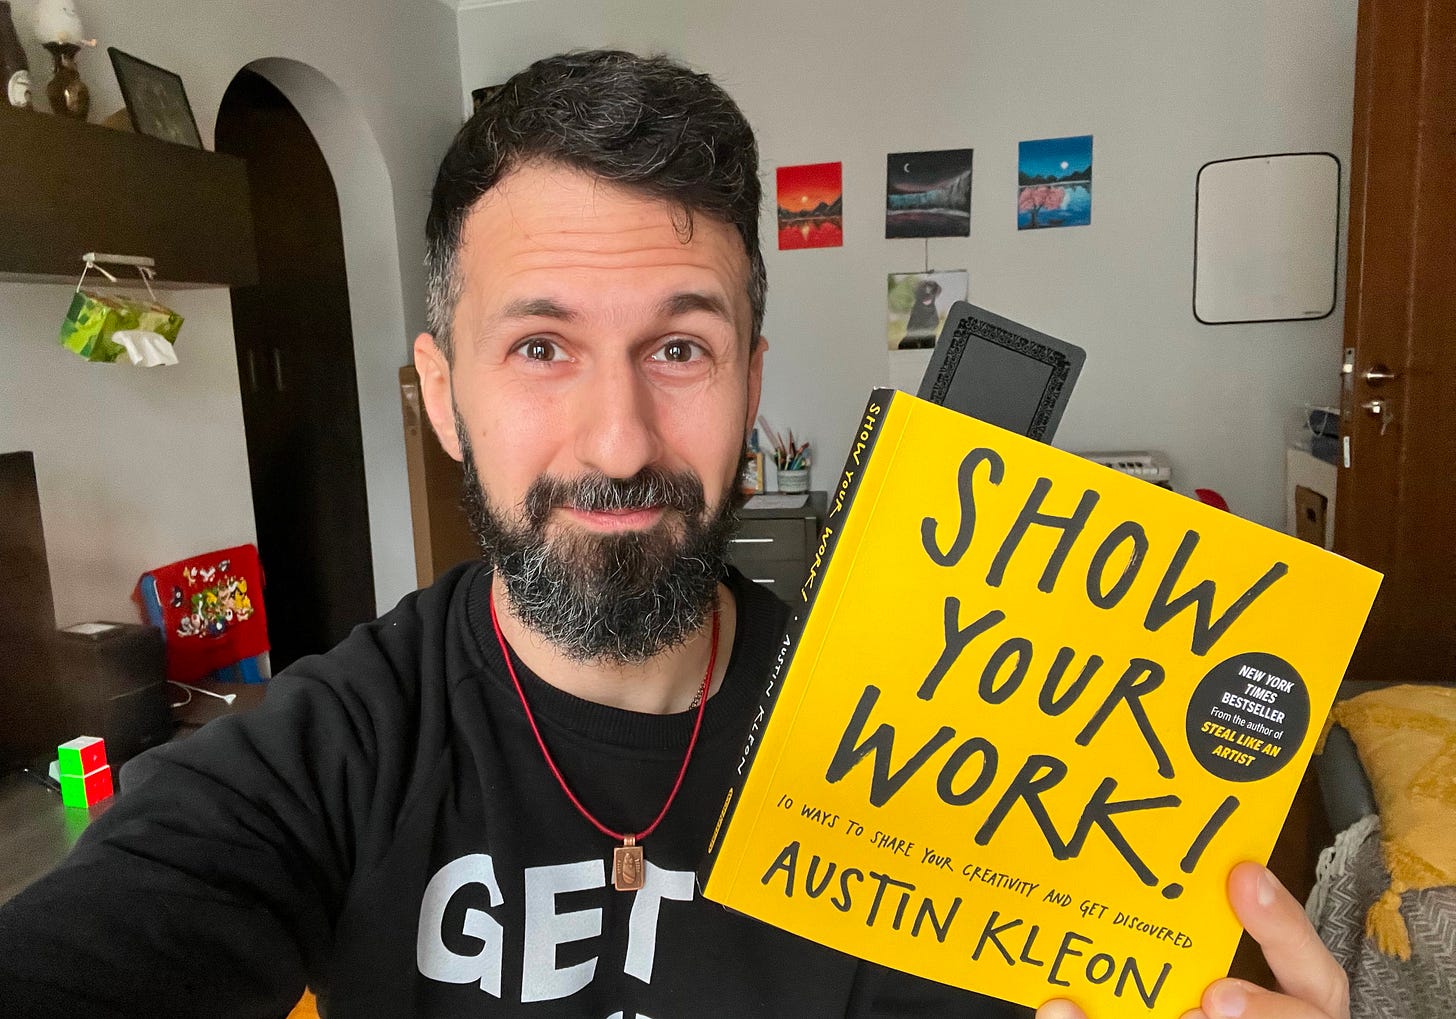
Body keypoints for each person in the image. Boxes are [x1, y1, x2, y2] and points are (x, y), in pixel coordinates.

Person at [0, 50, 1349, 1019]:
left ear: (752, 383)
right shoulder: (333, 754)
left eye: (681, 348)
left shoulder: (929, 743)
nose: (620, 442)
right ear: (443, 395)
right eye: (541, 347)